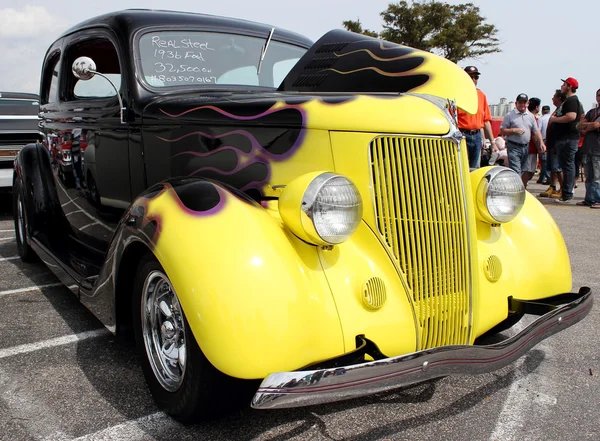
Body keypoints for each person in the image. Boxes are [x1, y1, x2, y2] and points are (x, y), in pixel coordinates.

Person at [550, 77, 583, 203]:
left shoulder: (572, 101)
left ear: (569, 86)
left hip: (568, 139)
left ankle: (567, 193)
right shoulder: (568, 101)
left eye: (564, 84)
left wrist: (555, 119)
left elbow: (571, 116)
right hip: (563, 139)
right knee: (565, 165)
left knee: (568, 166)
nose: (562, 86)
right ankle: (566, 192)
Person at [457, 66, 495, 169]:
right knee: (461, 166)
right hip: (462, 134)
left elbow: (486, 121)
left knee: (475, 167)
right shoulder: (457, 93)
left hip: (477, 135)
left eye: (476, 77)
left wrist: (492, 142)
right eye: (471, 76)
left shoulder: (481, 95)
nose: (474, 80)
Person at [500, 93, 545, 176]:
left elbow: (536, 131)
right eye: (520, 102)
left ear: (527, 104)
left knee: (524, 171)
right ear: (516, 103)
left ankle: (519, 187)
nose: (522, 105)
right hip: (513, 146)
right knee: (516, 170)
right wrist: (513, 130)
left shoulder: (531, 116)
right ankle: (517, 188)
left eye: (524, 103)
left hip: (525, 147)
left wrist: (541, 143)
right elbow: (502, 130)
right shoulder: (510, 115)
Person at [575, 88, 600, 208]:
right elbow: (579, 125)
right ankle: (589, 199)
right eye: (599, 95)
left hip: (598, 150)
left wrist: (588, 126)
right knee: (588, 176)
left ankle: (598, 200)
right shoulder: (592, 112)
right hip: (588, 148)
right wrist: (590, 126)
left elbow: (596, 124)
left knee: (597, 177)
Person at [540, 90, 566, 198]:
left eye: (554, 96)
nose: (552, 98)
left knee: (557, 168)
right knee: (551, 167)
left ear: (559, 98)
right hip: (551, 142)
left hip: (557, 143)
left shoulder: (563, 110)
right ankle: (552, 187)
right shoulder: (557, 110)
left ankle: (563, 189)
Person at [522, 97, 542, 188]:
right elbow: (534, 134)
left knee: (528, 171)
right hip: (530, 149)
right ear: (537, 107)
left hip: (527, 148)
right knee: (528, 171)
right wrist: (539, 147)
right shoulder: (532, 118)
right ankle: (523, 189)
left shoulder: (525, 116)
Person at [537, 105, 551, 184]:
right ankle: (542, 177)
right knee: (549, 160)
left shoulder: (541, 119)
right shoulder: (552, 117)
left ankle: (548, 177)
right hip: (552, 140)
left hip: (544, 140)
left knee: (543, 160)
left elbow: (538, 130)